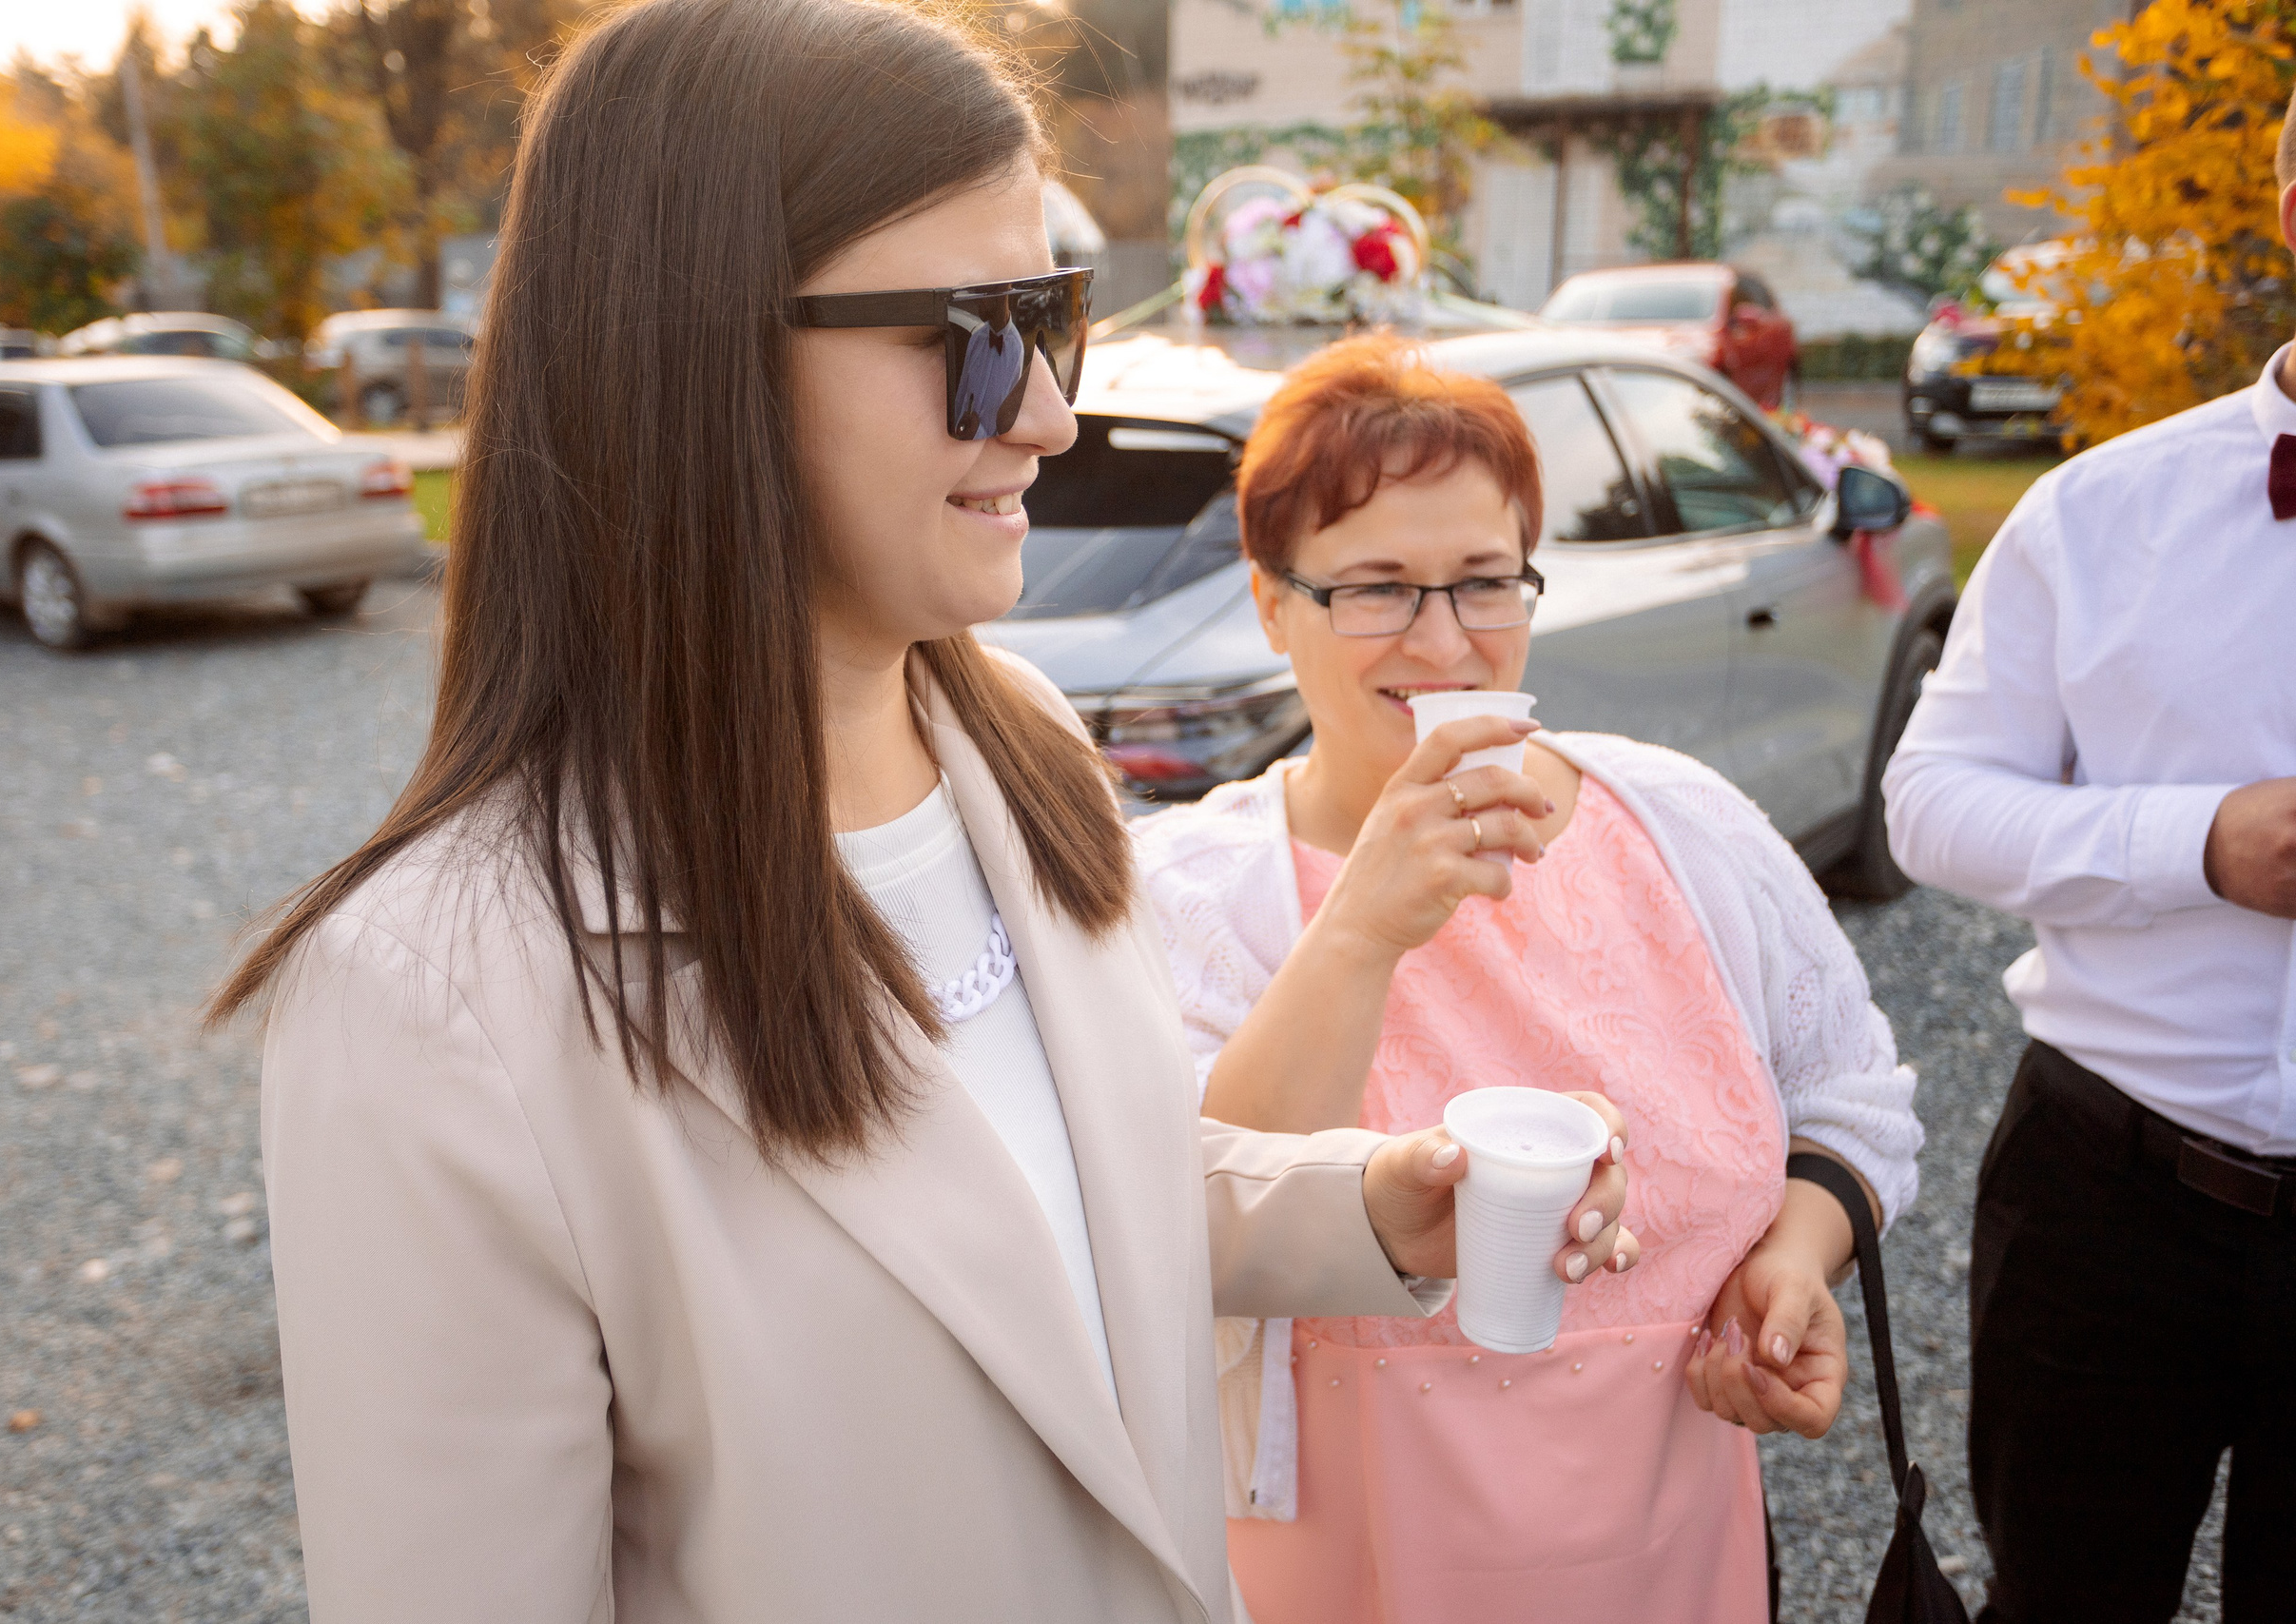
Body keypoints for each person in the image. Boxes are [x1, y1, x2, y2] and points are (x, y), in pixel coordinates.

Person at [205, 6, 1638, 1621]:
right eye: (975, 327)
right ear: (691, 354)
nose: (1044, 414)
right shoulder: (432, 1001)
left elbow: (1060, 1197)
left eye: (1055, 318)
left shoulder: (1014, 740)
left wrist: (1366, 1201)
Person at [1134, 336, 1925, 1623]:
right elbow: (1188, 1225)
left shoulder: (1681, 827)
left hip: (1668, 1534)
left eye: (1485, 581)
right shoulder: (1187, 894)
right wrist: (1363, 929)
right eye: (1377, 587)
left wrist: (1791, 1259)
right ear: (1273, 603)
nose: (1444, 641)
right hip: (1358, 1559)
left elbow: (1854, 1099)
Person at [1882, 97, 2296, 1624]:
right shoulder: (2101, 510)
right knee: (2061, 1599)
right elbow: (1927, 804)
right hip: (2105, 1194)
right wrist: (2195, 842)